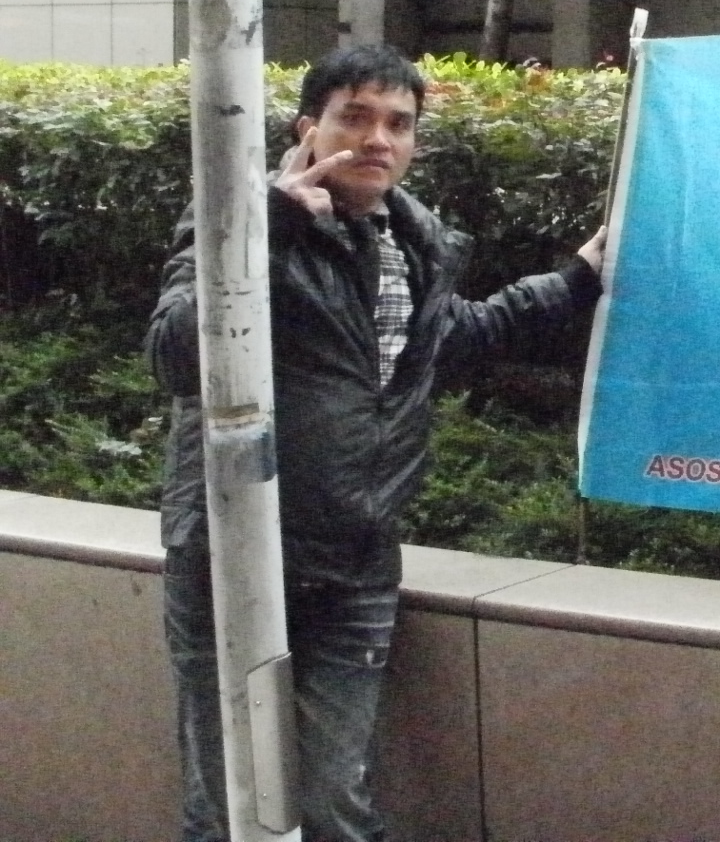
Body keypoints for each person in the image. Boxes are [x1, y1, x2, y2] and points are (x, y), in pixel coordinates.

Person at [148, 44, 607, 842]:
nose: (377, 140)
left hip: (355, 567)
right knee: (227, 804)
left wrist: (574, 282)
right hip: (235, 557)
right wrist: (273, 227)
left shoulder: (412, 243)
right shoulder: (239, 218)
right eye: (353, 117)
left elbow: (446, 342)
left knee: (337, 808)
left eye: (398, 123)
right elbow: (176, 354)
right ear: (308, 130)